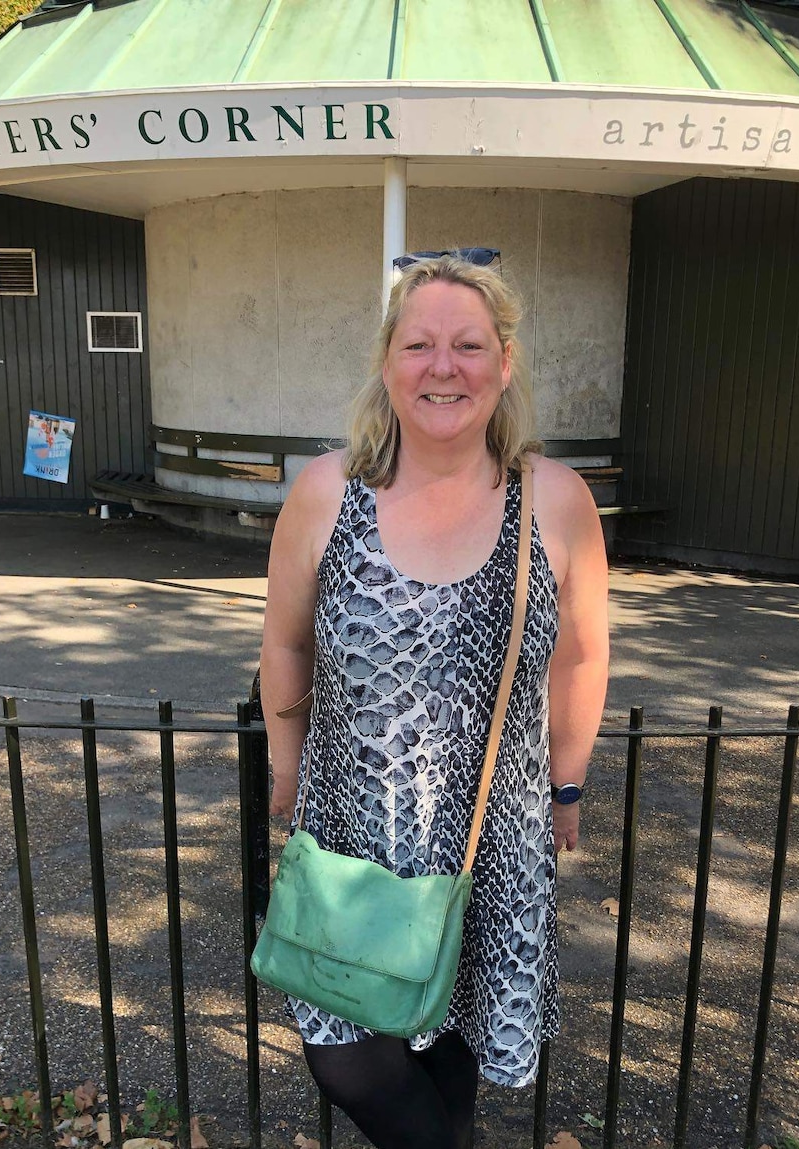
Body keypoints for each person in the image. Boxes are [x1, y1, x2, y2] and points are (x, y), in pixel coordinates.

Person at [259, 253, 609, 1149]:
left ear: (503, 364)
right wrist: (284, 766)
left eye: (467, 345)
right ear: (387, 363)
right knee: (347, 1055)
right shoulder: (328, 494)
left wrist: (566, 782)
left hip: (491, 834)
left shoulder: (557, 501)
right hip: (351, 825)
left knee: (451, 1046)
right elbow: (286, 640)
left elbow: (579, 656)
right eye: (419, 344)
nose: (442, 367)